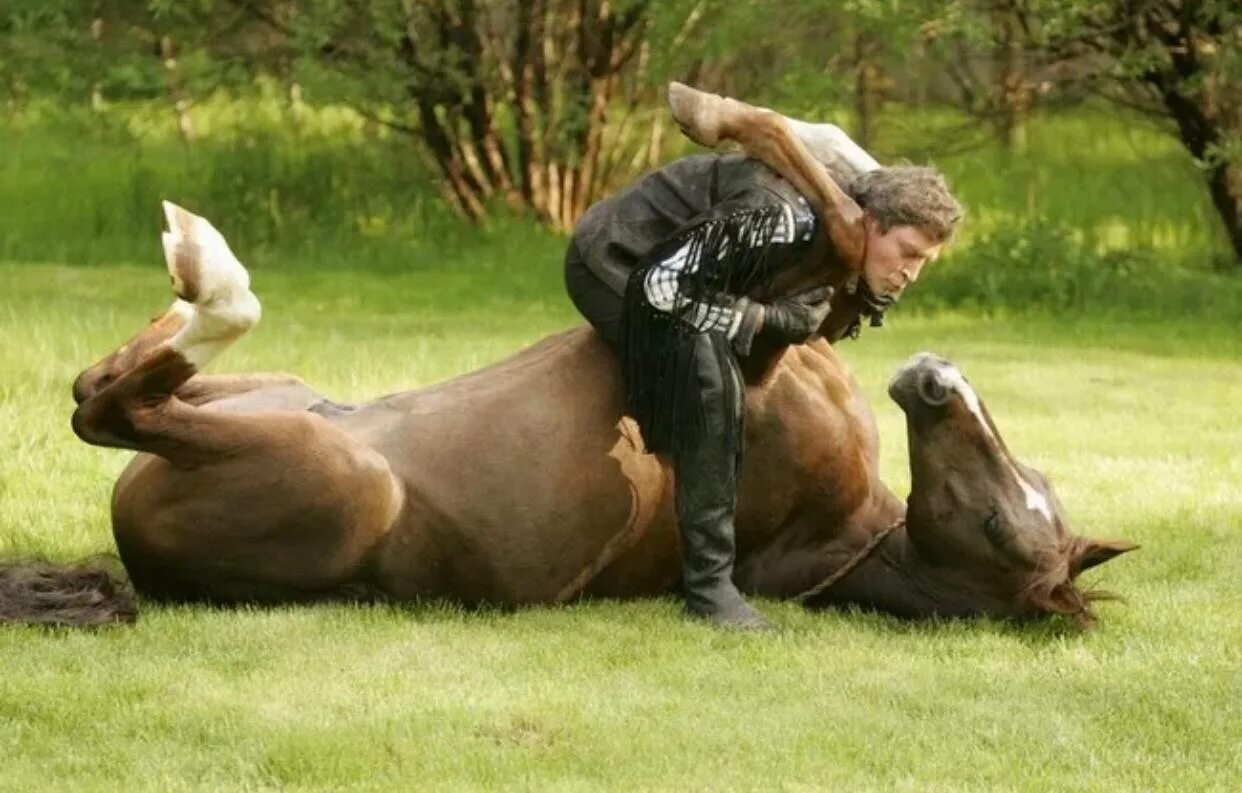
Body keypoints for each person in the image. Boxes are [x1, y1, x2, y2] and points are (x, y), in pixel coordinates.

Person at [564, 90, 963, 630]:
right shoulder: (777, 218)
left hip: (686, 269)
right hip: (615, 261)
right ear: (870, 224)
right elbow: (659, 287)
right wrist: (762, 321)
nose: (910, 274)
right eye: (908, 254)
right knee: (711, 380)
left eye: (924, 263)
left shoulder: (845, 231)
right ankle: (708, 589)